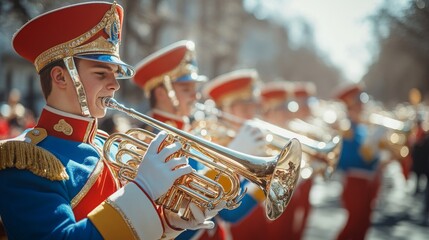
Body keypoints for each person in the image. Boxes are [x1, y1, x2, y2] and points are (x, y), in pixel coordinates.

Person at [0, 2, 221, 239]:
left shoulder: (113, 146)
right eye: (101, 73)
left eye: (115, 74)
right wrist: (141, 194)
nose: (115, 84)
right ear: (60, 77)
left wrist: (168, 223)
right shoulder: (25, 160)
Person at [132, 40, 229, 240]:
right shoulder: (149, 140)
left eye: (195, 87)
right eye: (186, 89)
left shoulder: (194, 131)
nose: (196, 95)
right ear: (161, 93)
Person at [333, 83, 383, 240]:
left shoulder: (360, 126)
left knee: (362, 226)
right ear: (351, 105)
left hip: (366, 182)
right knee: (353, 227)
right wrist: (372, 147)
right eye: (359, 103)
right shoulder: (347, 127)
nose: (363, 107)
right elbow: (347, 159)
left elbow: (370, 159)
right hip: (354, 183)